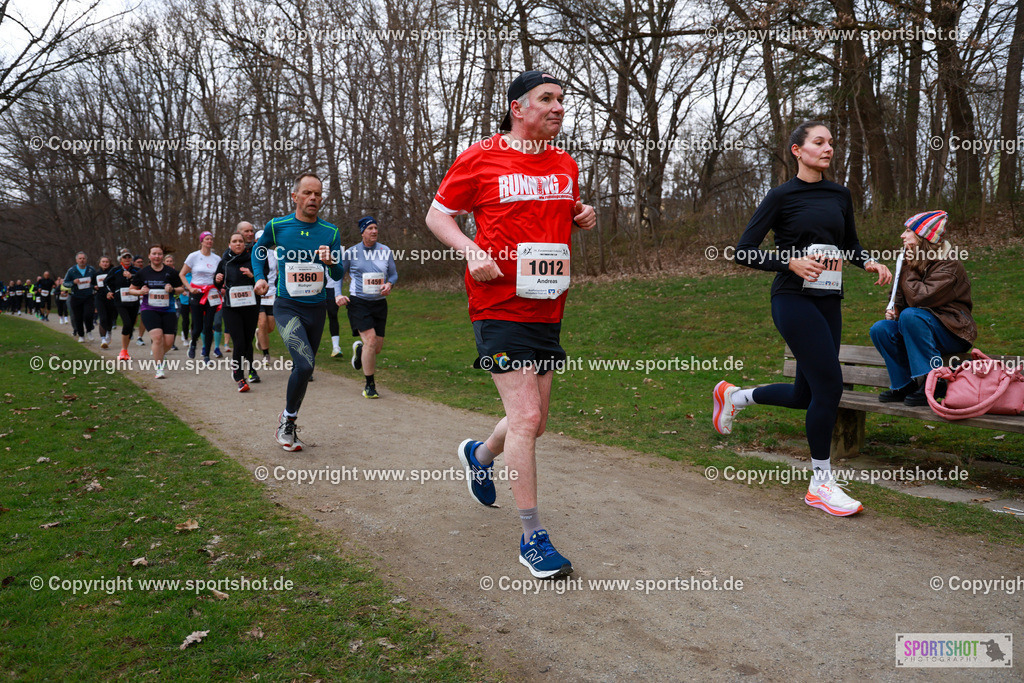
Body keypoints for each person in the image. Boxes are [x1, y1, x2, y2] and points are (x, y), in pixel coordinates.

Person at [425, 70, 596, 579]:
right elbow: (438, 216)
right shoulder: (481, 156)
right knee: (525, 418)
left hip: (547, 306)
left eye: (561, 99)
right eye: (547, 98)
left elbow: (552, 217)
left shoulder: (565, 164)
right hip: (496, 304)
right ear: (518, 108)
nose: (558, 107)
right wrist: (470, 249)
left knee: (535, 423)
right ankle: (532, 538)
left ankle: (480, 455)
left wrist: (580, 215)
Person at [713, 120, 893, 517]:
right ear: (797, 150)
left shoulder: (840, 194)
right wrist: (789, 262)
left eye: (831, 142)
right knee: (830, 386)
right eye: (819, 142)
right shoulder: (781, 196)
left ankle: (735, 396)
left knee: (805, 396)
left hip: (829, 299)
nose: (828, 148)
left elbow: (849, 243)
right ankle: (820, 484)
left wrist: (868, 261)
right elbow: (743, 251)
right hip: (792, 299)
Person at [253, 173, 342, 451]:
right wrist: (259, 277)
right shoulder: (277, 226)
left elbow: (339, 273)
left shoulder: (331, 232)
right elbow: (258, 249)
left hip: (316, 308)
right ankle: (287, 422)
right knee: (304, 364)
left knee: (305, 368)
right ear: (295, 196)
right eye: (307, 193)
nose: (313, 198)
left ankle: (288, 420)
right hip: (287, 306)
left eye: (318, 194)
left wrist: (331, 262)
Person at [869, 211, 975, 406]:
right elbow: (901, 297)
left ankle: (934, 382)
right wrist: (895, 310)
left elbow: (921, 298)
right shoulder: (911, 258)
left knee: (911, 316)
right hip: (921, 325)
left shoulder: (949, 264)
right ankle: (904, 385)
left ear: (922, 236)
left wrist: (908, 268)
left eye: (908, 230)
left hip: (953, 331)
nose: (902, 235)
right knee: (881, 329)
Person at [339, 216, 397, 398]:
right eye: (370, 228)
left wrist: (389, 284)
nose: (374, 231)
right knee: (370, 341)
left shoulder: (385, 251)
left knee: (376, 348)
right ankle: (369, 385)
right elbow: (338, 274)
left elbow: (393, 274)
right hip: (358, 302)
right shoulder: (351, 252)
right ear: (362, 232)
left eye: (375, 228)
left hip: (379, 303)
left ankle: (359, 350)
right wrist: (338, 294)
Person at [129, 245, 184, 379]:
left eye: (159, 254)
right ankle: (159, 368)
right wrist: (140, 292)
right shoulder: (143, 272)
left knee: (169, 342)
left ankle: (159, 353)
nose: (157, 256)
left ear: (162, 256)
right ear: (149, 256)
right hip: (149, 309)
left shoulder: (171, 272)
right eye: (154, 254)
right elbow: (131, 290)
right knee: (157, 337)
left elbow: (181, 289)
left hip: (168, 309)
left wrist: (172, 289)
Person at [216, 231, 260, 391]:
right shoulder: (224, 262)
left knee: (247, 342)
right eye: (234, 241)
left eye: (240, 241)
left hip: (251, 306)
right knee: (239, 342)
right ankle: (239, 376)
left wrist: (252, 276)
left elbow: (262, 281)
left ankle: (249, 370)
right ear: (229, 244)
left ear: (244, 244)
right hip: (231, 307)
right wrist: (217, 280)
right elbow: (217, 282)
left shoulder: (253, 260)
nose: (238, 244)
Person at [181, 231, 222, 363]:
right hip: (196, 293)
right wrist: (189, 288)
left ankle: (207, 355)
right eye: (207, 239)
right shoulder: (193, 256)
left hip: (211, 294)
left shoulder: (217, 259)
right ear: (202, 241)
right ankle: (193, 343)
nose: (210, 241)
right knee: (198, 327)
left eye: (211, 239)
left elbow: (220, 276)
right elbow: (182, 274)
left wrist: (220, 283)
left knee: (209, 326)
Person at [105, 251, 140, 360]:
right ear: (120, 259)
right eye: (125, 257)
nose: (127, 259)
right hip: (120, 301)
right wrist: (110, 291)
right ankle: (123, 350)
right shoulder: (115, 270)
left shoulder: (137, 271)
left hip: (134, 300)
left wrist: (131, 277)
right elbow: (106, 282)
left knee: (131, 325)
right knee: (127, 323)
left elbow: (142, 282)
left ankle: (125, 350)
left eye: (129, 257)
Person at [254, 228, 277, 369]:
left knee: (270, 327)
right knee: (262, 323)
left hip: (272, 293)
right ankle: (266, 354)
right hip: (259, 294)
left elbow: (279, 271)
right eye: (259, 240)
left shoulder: (274, 254)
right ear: (256, 241)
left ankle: (259, 334)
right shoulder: (253, 254)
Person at [63, 252, 98, 342]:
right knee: (77, 317)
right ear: (76, 260)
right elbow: (65, 283)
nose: (82, 260)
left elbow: (95, 281)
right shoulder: (72, 270)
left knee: (88, 315)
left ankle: (89, 331)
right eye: (80, 258)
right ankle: (81, 335)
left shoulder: (91, 269)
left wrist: (94, 286)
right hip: (76, 296)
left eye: (83, 258)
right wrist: (73, 282)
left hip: (88, 296)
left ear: (86, 260)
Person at [93, 256, 117, 348]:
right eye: (103, 262)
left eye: (107, 262)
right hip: (100, 298)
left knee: (110, 318)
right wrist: (94, 287)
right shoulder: (96, 274)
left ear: (110, 263)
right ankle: (103, 339)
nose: (105, 263)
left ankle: (109, 332)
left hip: (111, 297)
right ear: (99, 263)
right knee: (102, 318)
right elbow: (91, 284)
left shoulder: (113, 272)